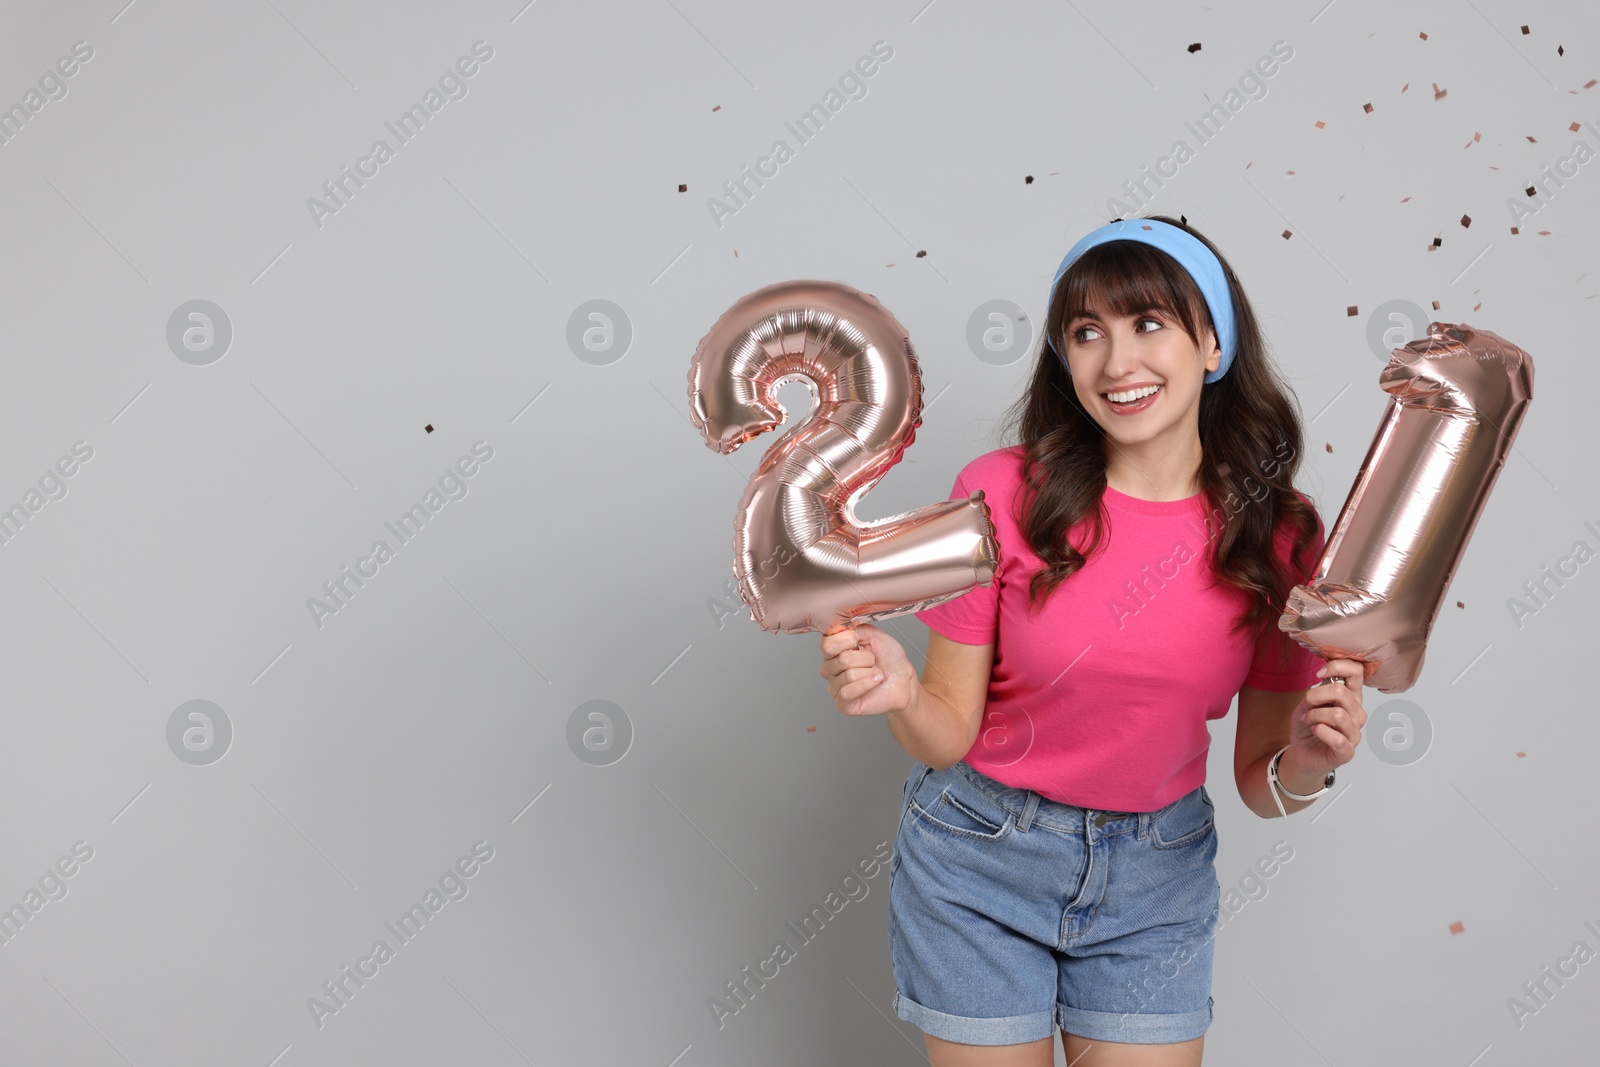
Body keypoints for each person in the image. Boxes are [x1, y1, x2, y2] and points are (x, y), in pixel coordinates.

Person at [818, 214, 1370, 1067]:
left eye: (1148, 323)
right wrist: (899, 693)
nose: (1117, 363)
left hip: (1158, 873)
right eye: (1086, 333)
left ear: (1214, 345)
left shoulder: (1282, 534)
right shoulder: (1001, 495)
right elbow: (948, 732)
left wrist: (1308, 757)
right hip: (980, 859)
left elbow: (1266, 785)